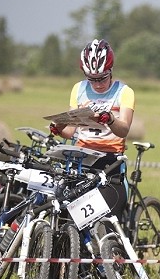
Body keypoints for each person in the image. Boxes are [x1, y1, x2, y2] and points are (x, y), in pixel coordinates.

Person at [49, 38, 134, 216]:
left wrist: (110, 119)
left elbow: (124, 128)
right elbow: (70, 131)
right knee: (66, 215)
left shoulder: (124, 92)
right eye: (91, 79)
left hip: (110, 161)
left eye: (102, 79)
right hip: (81, 159)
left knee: (107, 219)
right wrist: (59, 129)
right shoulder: (78, 89)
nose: (97, 84)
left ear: (111, 70)